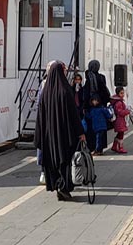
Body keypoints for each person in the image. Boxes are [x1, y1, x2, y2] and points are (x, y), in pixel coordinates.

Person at [34, 61, 86, 201]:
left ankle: (57, 186)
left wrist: (39, 136)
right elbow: (73, 115)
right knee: (65, 161)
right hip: (64, 134)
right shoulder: (65, 91)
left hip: (49, 136)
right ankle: (64, 187)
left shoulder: (45, 93)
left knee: (53, 162)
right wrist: (80, 132)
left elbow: (40, 116)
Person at [83, 60, 111, 150]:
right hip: (101, 105)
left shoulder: (88, 77)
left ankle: (92, 146)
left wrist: (85, 106)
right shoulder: (102, 77)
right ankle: (100, 146)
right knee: (101, 127)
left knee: (91, 127)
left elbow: (86, 93)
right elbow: (105, 92)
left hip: (91, 106)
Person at [110, 87, 131, 154]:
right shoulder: (119, 102)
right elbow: (120, 112)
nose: (123, 94)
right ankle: (120, 147)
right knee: (121, 134)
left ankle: (115, 146)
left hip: (119, 120)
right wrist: (127, 111)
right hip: (120, 120)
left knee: (119, 133)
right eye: (121, 93)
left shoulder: (118, 101)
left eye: (123, 93)